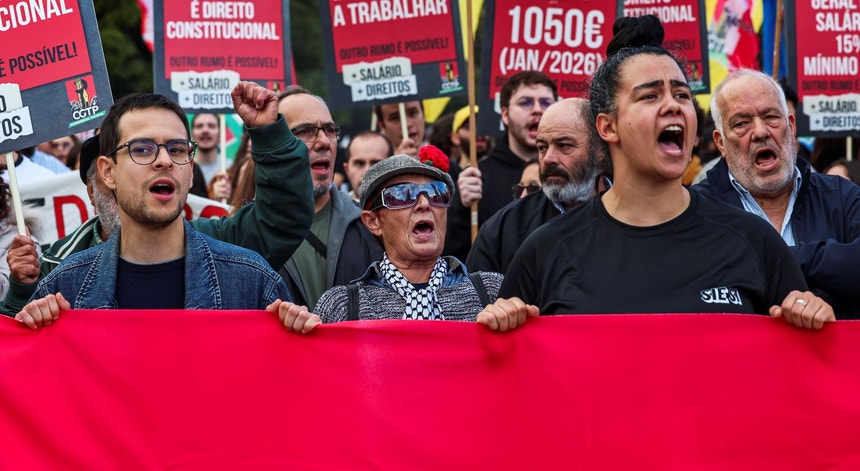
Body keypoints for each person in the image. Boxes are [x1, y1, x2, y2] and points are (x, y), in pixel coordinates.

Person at [500, 15, 833, 329]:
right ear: (608, 126)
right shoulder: (546, 250)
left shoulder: (754, 241)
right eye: (650, 95)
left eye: (682, 94)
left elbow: (799, 371)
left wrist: (813, 318)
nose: (673, 105)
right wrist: (501, 323)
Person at [0, 81, 314, 316]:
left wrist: (295, 338)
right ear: (107, 174)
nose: (164, 160)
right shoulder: (64, 285)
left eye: (177, 149)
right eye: (142, 149)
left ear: (190, 171)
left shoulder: (251, 281)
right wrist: (26, 310)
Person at [272, 153, 537, 333]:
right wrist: (297, 334)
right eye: (402, 195)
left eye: (436, 194)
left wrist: (515, 324)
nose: (424, 204)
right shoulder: (341, 305)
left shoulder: (491, 291)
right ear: (373, 221)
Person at [694, 68, 860, 319]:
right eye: (741, 123)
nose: (760, 132)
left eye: (771, 117)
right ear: (720, 143)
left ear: (791, 126)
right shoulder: (697, 209)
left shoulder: (842, 197)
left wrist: (789, 256)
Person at [466, 98, 605, 274]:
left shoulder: (633, 215)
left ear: (599, 150)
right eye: (542, 147)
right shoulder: (503, 227)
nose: (548, 158)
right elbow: (473, 296)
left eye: (564, 145)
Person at [277, 86, 383, 310]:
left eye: (330, 130)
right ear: (273, 144)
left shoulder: (372, 227)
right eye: (306, 131)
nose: (324, 141)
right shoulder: (246, 235)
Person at [445, 71, 558, 260]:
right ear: (504, 114)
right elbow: (452, 258)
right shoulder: (478, 177)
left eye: (546, 102)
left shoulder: (572, 172)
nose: (538, 110)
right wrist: (462, 210)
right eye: (526, 102)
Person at [342, 130, 392, 202]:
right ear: (347, 170)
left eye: (376, 164)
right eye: (359, 164)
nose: (367, 172)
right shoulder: (334, 211)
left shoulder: (406, 210)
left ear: (392, 169)